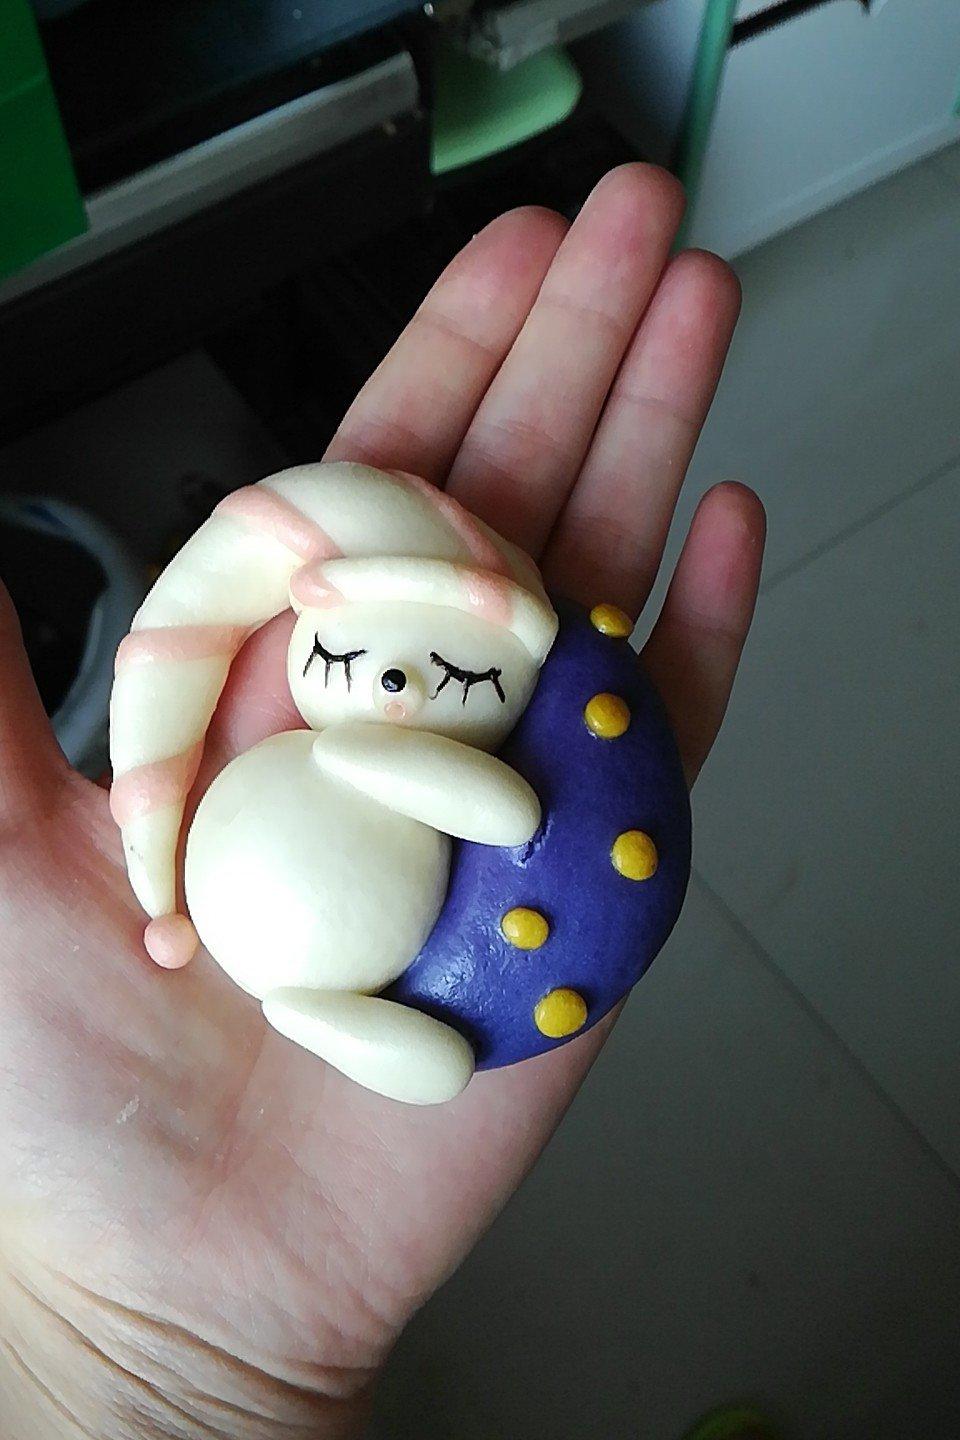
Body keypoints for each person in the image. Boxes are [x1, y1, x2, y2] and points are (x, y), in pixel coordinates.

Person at [0, 164, 765, 1438]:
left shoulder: (407, 759)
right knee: (407, 1040)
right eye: (356, 660)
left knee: (429, 1056)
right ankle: (351, 1023)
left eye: (446, 677)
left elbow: (508, 814)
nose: (398, 691)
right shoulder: (329, 743)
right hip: (282, 945)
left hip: (350, 972)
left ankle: (369, 1030)